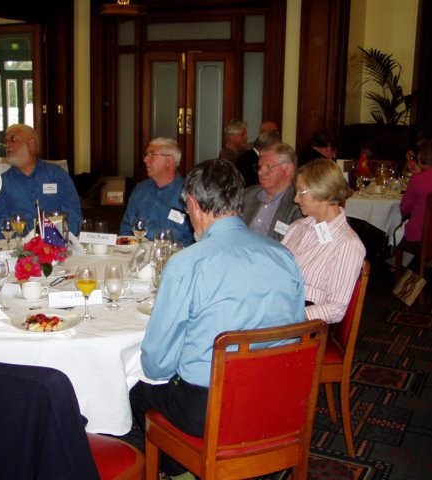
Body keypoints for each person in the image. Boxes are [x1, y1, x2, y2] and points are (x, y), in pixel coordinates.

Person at [129, 158, 305, 479]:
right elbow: (295, 334)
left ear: (195, 205)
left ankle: (188, 471)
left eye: (187, 210)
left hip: (210, 409)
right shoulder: (284, 256)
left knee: (137, 389)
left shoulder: (187, 263)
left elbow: (157, 365)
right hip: (279, 399)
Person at [281, 158, 366, 324]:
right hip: (275, 306)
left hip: (300, 325)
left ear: (323, 191)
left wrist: (287, 317)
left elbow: (336, 309)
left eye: (301, 192)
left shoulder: (347, 244)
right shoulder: (297, 228)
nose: (296, 199)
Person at [0, 124, 82, 238]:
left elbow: (73, 215)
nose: (7, 145)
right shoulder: (1, 182)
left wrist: (54, 238)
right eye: (5, 141)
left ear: (31, 144)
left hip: (56, 243)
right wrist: (27, 242)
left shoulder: (57, 175)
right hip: (19, 246)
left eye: (13, 139)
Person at [120, 138, 194, 246]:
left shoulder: (190, 193)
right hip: (138, 252)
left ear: (169, 160)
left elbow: (195, 239)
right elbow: (126, 229)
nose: (145, 159)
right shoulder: (140, 190)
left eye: (152, 154)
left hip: (175, 254)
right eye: (146, 155)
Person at [242, 143, 302, 241]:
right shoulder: (247, 194)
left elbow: (294, 243)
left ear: (288, 169)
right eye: (259, 167)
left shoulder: (299, 203)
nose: (260, 172)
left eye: (269, 167)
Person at [235, 122, 281, 187]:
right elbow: (255, 184)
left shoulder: (249, 156)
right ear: (268, 147)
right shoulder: (250, 160)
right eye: (275, 149)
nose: (276, 153)